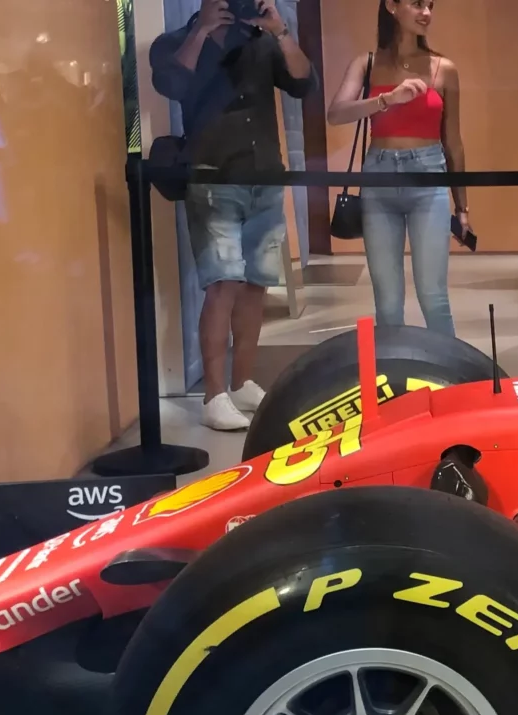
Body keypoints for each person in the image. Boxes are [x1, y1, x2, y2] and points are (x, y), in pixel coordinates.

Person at [151, 0, 314, 431]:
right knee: (223, 284)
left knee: (256, 285)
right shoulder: (174, 41)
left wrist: (280, 31)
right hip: (213, 179)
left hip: (266, 176)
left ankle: (241, 383)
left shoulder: (261, 40)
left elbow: (303, 83)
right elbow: (172, 84)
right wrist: (201, 31)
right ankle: (214, 396)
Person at [327, 0, 468, 336]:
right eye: (417, 4)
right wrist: (387, 99)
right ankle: (394, 369)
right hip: (379, 176)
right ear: (391, 6)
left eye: (430, 5)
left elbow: (453, 141)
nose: (426, 13)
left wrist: (463, 207)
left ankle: (448, 368)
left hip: (429, 176)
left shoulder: (443, 68)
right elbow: (336, 113)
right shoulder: (367, 63)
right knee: (387, 302)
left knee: (433, 296)